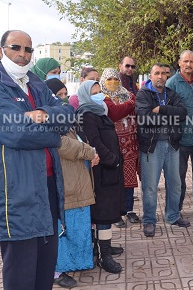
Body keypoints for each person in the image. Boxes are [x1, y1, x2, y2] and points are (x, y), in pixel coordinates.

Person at [0, 30, 74, 290]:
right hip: (15, 194)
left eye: (28, 50)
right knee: (21, 273)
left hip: (49, 188)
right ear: (1, 51)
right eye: (15, 47)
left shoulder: (37, 84)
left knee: (44, 270)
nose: (22, 55)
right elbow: (16, 133)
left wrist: (39, 114)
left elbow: (68, 114)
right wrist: (53, 134)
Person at [45, 78, 99, 288]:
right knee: (61, 228)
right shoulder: (49, 119)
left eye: (65, 94)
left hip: (76, 179)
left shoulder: (65, 118)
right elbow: (61, 144)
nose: (63, 99)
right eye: (58, 95)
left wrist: (88, 151)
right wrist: (88, 151)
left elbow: (75, 140)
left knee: (75, 225)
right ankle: (57, 270)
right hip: (63, 182)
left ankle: (71, 263)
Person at [75, 80, 125, 273]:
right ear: (86, 95)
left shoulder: (98, 112)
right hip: (101, 171)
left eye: (99, 91)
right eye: (94, 92)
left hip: (109, 170)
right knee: (103, 213)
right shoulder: (87, 115)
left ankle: (105, 246)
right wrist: (112, 159)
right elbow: (94, 143)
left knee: (108, 211)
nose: (99, 95)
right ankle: (104, 257)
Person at [136, 64, 190, 237]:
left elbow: (182, 113)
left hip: (172, 145)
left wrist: (163, 109)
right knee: (150, 187)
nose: (160, 76)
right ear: (150, 76)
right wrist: (169, 117)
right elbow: (145, 118)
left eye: (163, 74)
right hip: (151, 147)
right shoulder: (143, 94)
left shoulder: (171, 94)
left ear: (167, 76)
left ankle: (173, 216)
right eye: (156, 73)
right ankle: (149, 221)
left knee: (175, 184)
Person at [166, 50, 193, 211]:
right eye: (186, 62)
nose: (189, 65)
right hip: (181, 139)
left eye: (192, 62)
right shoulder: (172, 83)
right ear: (179, 62)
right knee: (179, 176)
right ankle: (177, 206)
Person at [100, 68, 140, 227]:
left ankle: (129, 210)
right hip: (111, 146)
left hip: (130, 145)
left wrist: (130, 103)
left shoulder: (128, 95)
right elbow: (114, 113)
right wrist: (130, 104)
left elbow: (137, 114)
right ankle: (116, 214)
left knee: (129, 180)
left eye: (115, 78)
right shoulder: (102, 98)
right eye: (108, 79)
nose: (112, 82)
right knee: (114, 181)